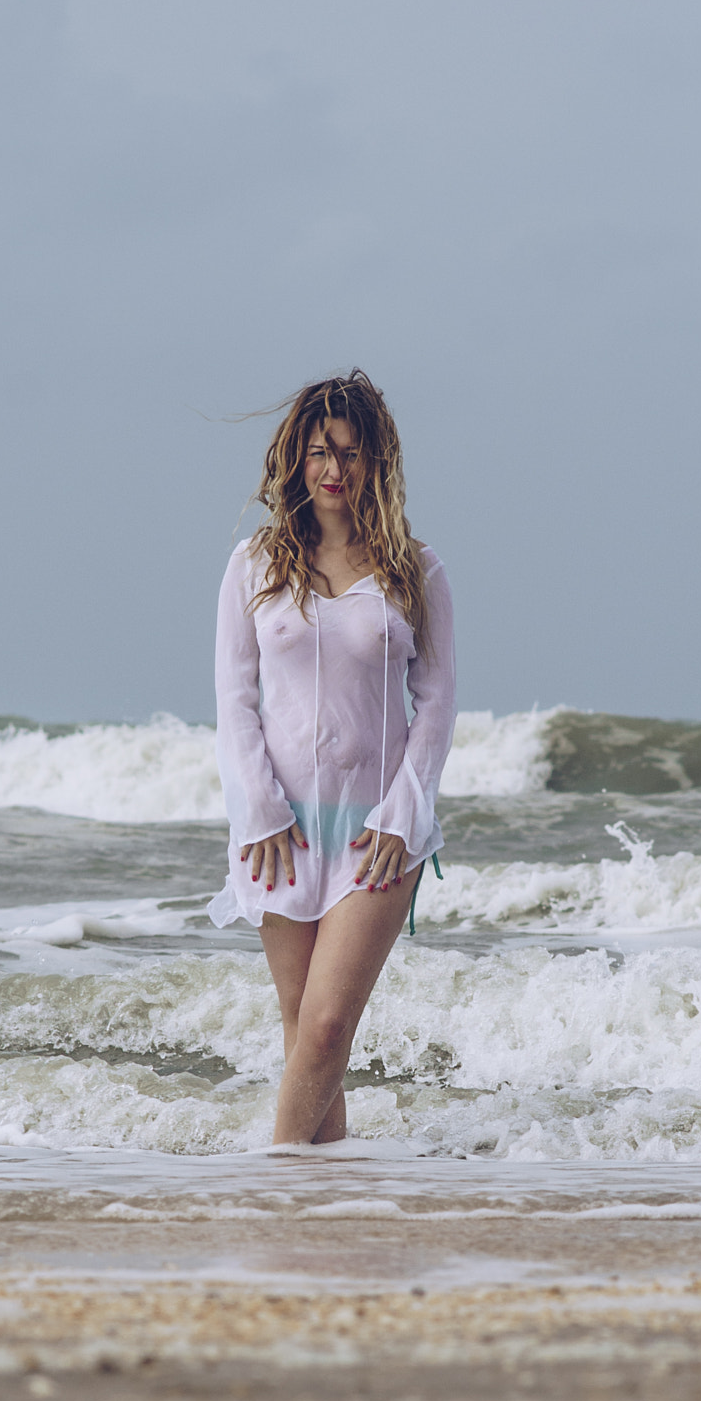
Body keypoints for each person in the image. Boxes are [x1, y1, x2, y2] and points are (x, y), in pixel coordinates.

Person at [208, 370, 457, 1147]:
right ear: (296, 459)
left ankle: (274, 1185)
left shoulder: (414, 570)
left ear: (376, 464)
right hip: (279, 830)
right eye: (319, 452)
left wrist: (403, 814)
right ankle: (322, 1213)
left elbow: (437, 702)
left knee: (323, 1032)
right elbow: (234, 699)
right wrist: (257, 809)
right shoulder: (254, 565)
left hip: (373, 832)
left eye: (350, 454)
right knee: (305, 1037)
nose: (333, 470)